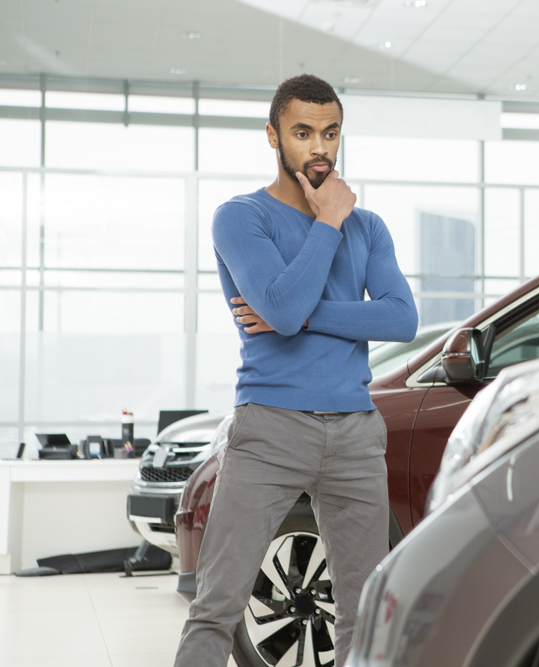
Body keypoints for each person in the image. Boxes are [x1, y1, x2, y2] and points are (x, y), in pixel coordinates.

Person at [173, 74, 417, 667]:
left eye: (330, 133)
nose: (319, 148)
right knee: (219, 603)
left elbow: (401, 319)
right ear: (273, 135)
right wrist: (327, 222)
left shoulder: (370, 225)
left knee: (364, 609)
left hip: (356, 432)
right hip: (270, 429)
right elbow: (280, 309)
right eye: (303, 132)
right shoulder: (241, 217)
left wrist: (302, 317)